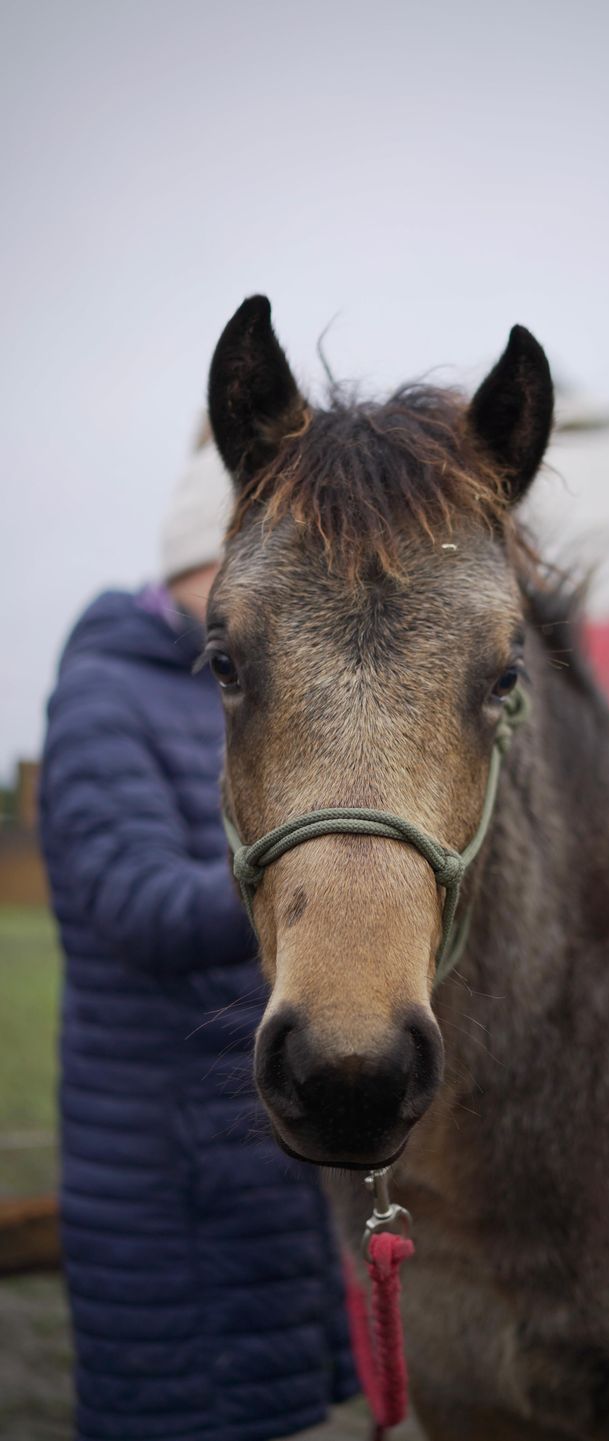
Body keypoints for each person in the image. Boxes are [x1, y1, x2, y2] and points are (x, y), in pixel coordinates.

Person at [40, 437, 356, 1441]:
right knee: (189, 1406)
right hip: (164, 1156)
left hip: (251, 1136)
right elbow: (134, 903)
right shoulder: (103, 696)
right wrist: (311, 876)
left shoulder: (234, 687)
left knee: (272, 1403)